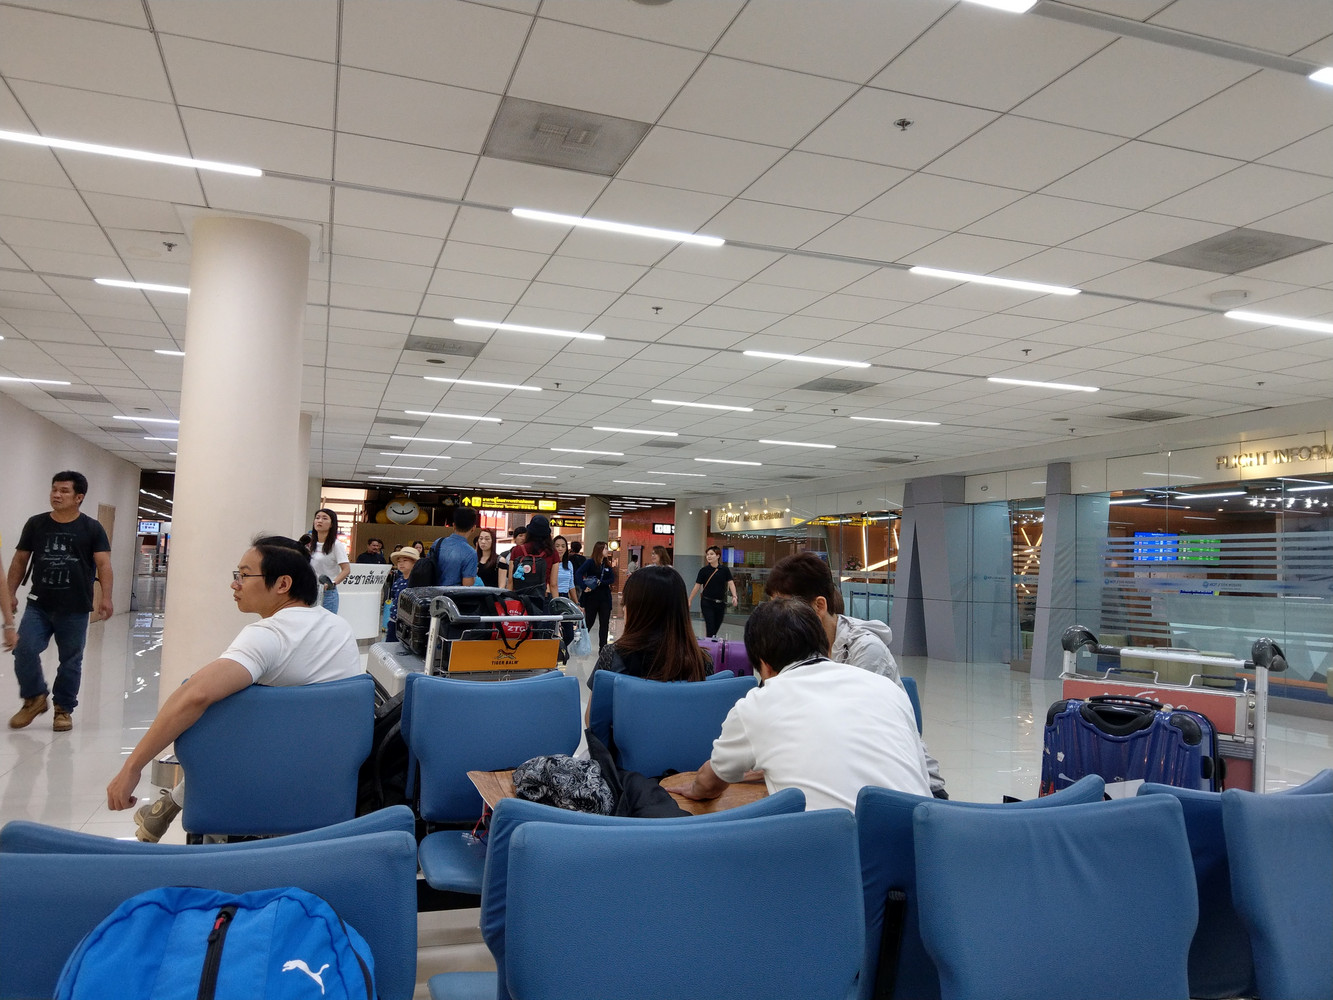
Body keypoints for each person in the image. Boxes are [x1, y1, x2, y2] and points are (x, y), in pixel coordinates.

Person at [106, 535, 362, 841]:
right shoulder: (339, 627)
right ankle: (170, 805)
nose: (234, 584)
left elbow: (194, 695)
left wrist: (132, 767)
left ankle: (178, 808)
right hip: (333, 783)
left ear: (282, 584)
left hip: (262, 782)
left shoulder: (269, 634)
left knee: (217, 701)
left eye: (244, 575)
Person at [678, 598, 931, 811]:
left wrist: (694, 788)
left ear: (764, 665)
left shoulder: (757, 704)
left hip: (836, 848)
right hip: (924, 843)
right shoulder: (888, 688)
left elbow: (710, 784)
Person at [765, 551, 947, 798]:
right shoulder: (795, 647)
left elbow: (848, 733)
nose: (776, 618)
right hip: (848, 776)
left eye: (785, 608)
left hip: (907, 789)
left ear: (819, 606)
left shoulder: (865, 650)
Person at [6, 471, 113, 733]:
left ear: (79, 497)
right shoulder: (36, 524)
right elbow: (20, 560)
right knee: (24, 649)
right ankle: (34, 697)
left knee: (70, 661)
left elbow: (103, 564)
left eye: (64, 491)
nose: (56, 495)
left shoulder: (92, 528)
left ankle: (63, 709)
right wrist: (9, 593)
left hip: (75, 607)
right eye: (54, 489)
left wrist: (107, 598)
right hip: (39, 604)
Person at [587, 565, 711, 690]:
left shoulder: (612, 657)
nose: (624, 609)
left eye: (625, 604)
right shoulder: (702, 662)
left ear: (638, 611)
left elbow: (597, 702)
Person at [689, 545, 738, 638]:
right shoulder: (703, 571)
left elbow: (731, 583)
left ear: (718, 556)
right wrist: (690, 599)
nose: (709, 556)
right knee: (710, 627)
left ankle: (710, 642)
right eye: (707, 554)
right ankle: (709, 645)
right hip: (707, 602)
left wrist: (734, 596)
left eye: (711, 554)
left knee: (715, 628)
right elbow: (697, 586)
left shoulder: (724, 570)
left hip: (720, 603)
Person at [309, 508, 350, 614]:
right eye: (317, 518)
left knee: (326, 622)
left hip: (327, 592)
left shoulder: (336, 545)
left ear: (332, 524)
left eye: (324, 518)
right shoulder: (310, 544)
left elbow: (346, 569)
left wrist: (332, 583)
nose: (319, 521)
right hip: (309, 591)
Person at [509, 515, 559, 601]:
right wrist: (557, 603)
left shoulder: (517, 550)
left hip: (520, 597)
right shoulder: (552, 552)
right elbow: (553, 584)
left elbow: (511, 580)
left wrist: (509, 601)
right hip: (542, 597)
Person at [579, 541, 616, 651]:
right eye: (605, 548)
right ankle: (581, 644)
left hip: (605, 598)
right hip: (592, 597)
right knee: (589, 622)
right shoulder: (590, 563)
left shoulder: (607, 564)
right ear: (599, 550)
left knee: (604, 624)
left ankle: (603, 648)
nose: (607, 550)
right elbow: (578, 573)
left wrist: (602, 582)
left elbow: (612, 579)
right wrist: (583, 586)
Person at [435, 506, 480, 586]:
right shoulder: (470, 553)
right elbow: (467, 585)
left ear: (454, 526)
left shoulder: (438, 543)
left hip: (432, 592)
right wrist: (473, 576)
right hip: (453, 593)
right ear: (473, 528)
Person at [382, 546, 417, 643]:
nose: (401, 563)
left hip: (408, 623)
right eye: (399, 561)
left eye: (405, 560)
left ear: (414, 563)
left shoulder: (415, 582)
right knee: (390, 644)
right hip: (394, 620)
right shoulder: (398, 581)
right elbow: (394, 596)